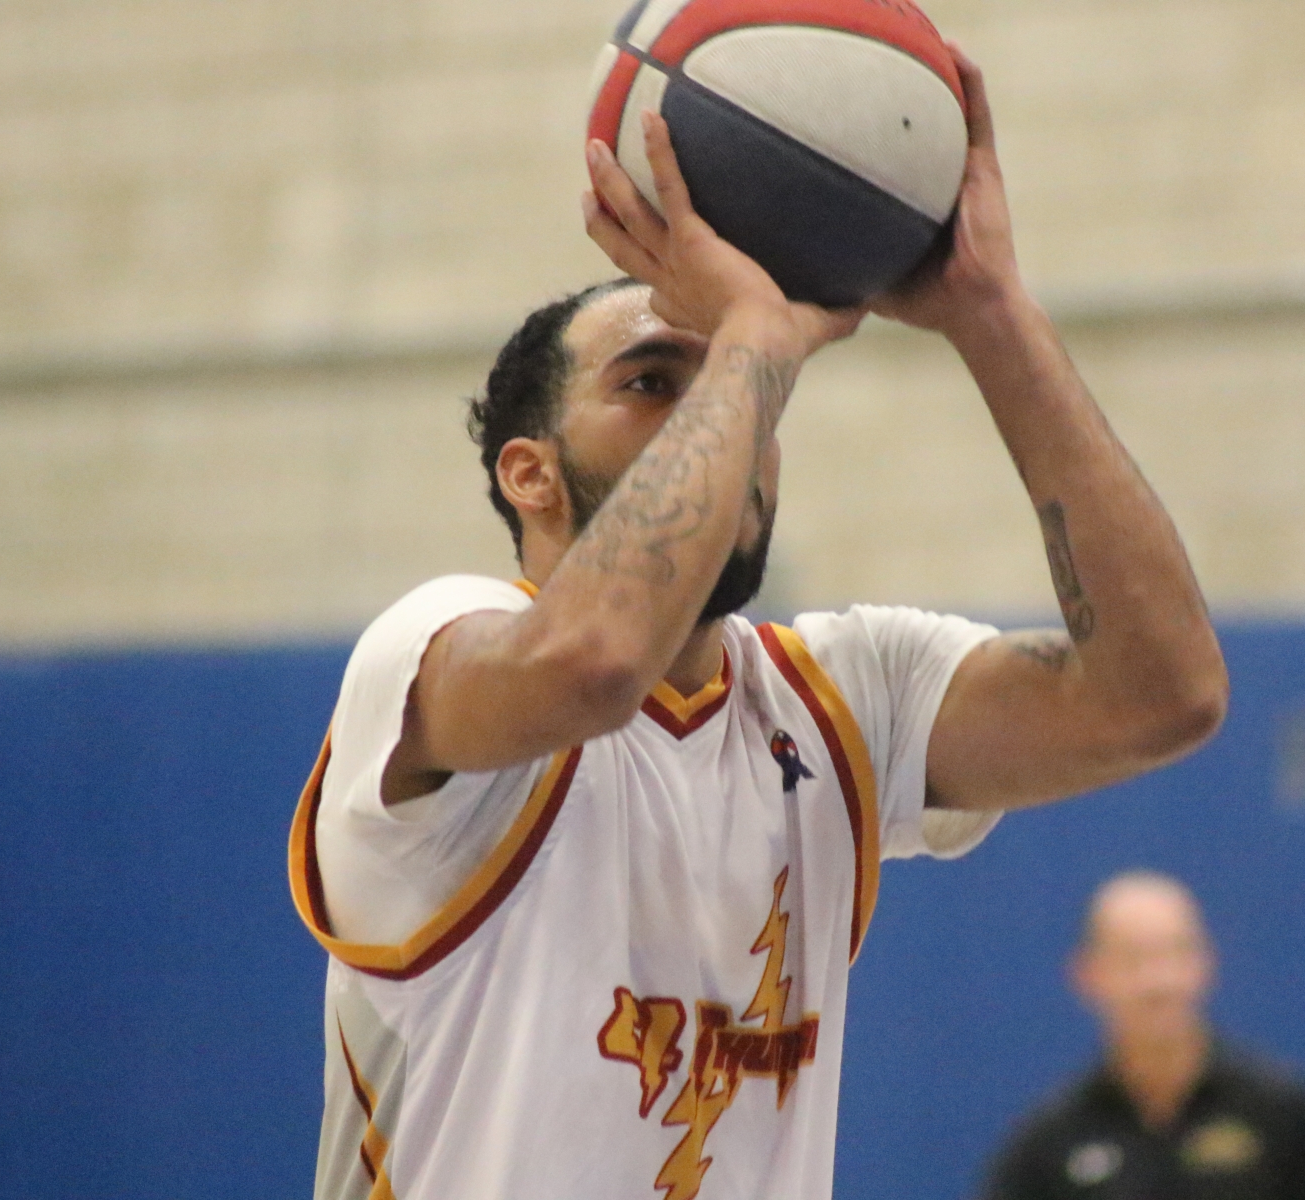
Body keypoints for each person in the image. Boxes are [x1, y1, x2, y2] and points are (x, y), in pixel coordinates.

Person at [287, 45, 1228, 1200]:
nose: (730, 423)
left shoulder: (847, 695)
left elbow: (1165, 695)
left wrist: (991, 312)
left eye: (744, 393)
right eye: (652, 383)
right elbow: (596, 665)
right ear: (528, 475)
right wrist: (749, 337)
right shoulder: (436, 647)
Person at [984, 872, 1305, 1200]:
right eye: (1132, 958)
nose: (1158, 981)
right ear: (1087, 974)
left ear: (1207, 963)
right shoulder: (1047, 1144)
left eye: (1176, 952)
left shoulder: (1285, 1116)